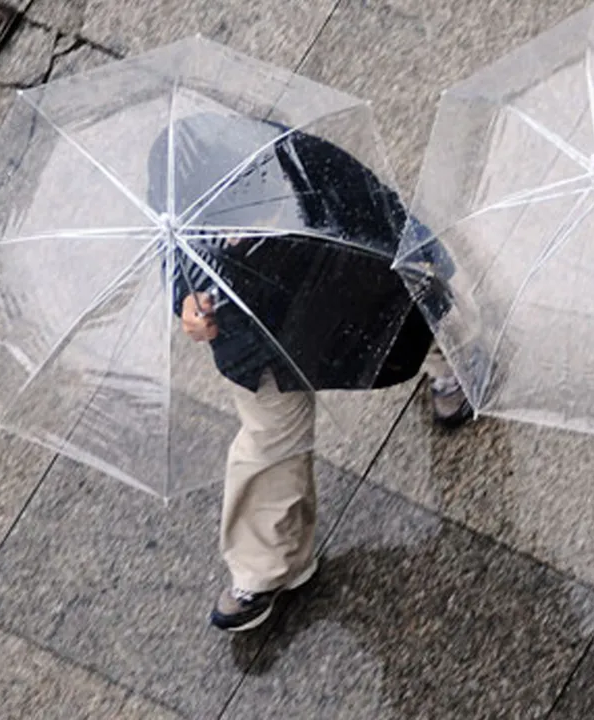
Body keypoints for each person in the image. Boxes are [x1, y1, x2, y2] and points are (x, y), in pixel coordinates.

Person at [152, 112, 471, 632]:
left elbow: (379, 213)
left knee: (408, 326)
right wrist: (187, 304)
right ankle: (265, 568)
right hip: (254, 336)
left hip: (339, 284)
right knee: (268, 439)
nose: (228, 235)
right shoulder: (174, 174)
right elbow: (173, 258)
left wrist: (424, 261)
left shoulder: (298, 160)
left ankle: (457, 363)